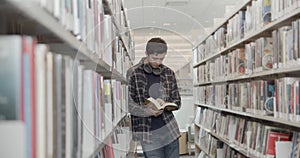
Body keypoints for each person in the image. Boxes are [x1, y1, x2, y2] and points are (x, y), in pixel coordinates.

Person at [127, 37, 181, 158]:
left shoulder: (169, 73)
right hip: (148, 133)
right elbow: (129, 103)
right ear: (146, 53)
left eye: (161, 59)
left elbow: (177, 101)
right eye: (154, 58)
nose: (158, 62)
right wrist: (146, 111)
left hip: (170, 130)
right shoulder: (133, 73)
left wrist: (166, 104)